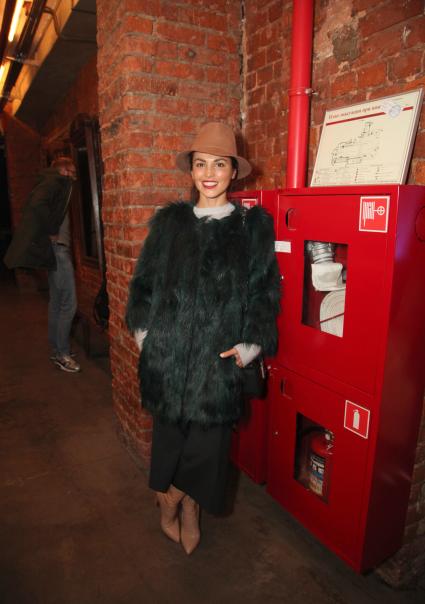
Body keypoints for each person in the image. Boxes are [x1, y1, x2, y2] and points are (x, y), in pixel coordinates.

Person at [125, 122, 280, 554]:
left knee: (207, 452)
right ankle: (177, 505)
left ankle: (177, 501)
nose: (209, 173)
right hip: (167, 360)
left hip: (217, 362)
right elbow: (143, 287)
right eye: (200, 164)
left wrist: (249, 347)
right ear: (191, 171)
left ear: (233, 171)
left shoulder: (251, 227)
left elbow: (264, 292)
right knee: (170, 442)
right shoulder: (170, 225)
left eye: (219, 164)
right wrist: (147, 339)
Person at [4, 156, 81, 373]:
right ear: (63, 171)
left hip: (55, 250)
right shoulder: (54, 182)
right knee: (69, 304)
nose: (75, 176)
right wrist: (51, 229)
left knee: (56, 302)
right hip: (58, 251)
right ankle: (62, 354)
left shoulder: (53, 184)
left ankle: (57, 349)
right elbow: (37, 205)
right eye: (72, 171)